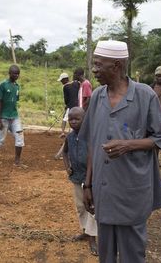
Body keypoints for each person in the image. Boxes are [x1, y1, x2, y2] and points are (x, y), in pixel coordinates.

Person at [81, 40, 161, 262]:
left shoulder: (144, 95)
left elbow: (159, 139)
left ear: (117, 66)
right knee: (106, 253)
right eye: (94, 64)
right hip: (104, 188)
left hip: (132, 189)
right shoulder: (98, 96)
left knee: (132, 254)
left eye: (99, 65)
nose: (94, 70)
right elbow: (92, 142)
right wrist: (88, 184)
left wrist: (127, 145)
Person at [62, 107, 98, 256]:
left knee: (91, 207)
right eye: (71, 119)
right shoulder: (69, 137)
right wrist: (67, 167)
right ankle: (85, 231)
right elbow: (64, 152)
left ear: (85, 120)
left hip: (90, 179)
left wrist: (89, 181)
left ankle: (92, 238)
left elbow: (94, 158)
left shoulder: (90, 137)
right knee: (80, 207)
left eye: (77, 119)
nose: (73, 122)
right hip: (76, 178)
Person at [0, 65, 25, 167]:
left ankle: (17, 162)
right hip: (4, 117)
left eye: (18, 74)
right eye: (14, 73)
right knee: (0, 139)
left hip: (14, 116)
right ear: (9, 73)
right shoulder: (3, 85)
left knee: (20, 138)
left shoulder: (17, 86)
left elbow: (15, 101)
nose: (16, 75)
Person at [54, 72, 80, 159]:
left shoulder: (65, 86)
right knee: (73, 126)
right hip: (78, 108)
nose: (61, 82)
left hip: (70, 107)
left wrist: (67, 105)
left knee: (67, 122)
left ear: (65, 79)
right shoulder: (77, 83)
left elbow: (66, 99)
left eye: (62, 80)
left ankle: (63, 151)